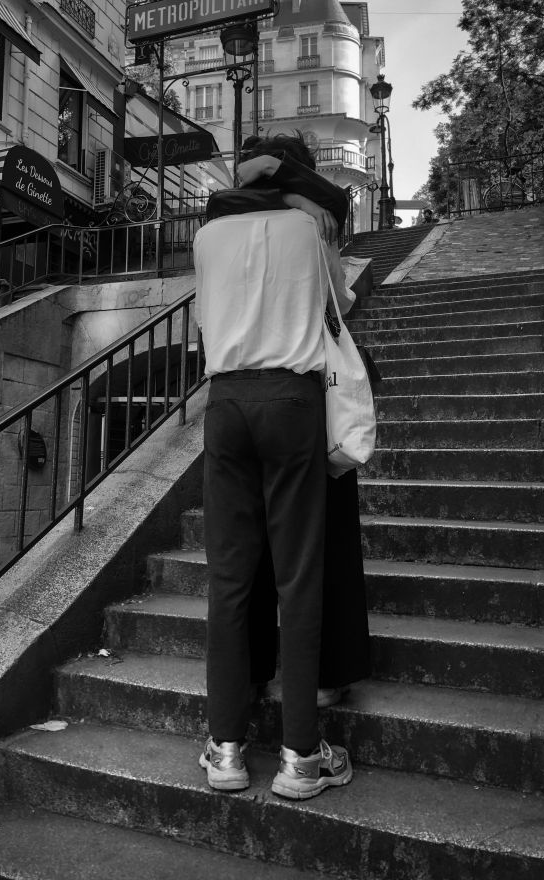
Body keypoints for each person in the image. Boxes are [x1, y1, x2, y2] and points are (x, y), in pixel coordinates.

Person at [195, 133, 353, 801]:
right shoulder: (310, 231)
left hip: (227, 399)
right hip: (294, 399)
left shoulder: (207, 237)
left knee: (230, 579)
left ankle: (227, 749)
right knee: (299, 579)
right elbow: (340, 309)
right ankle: (300, 758)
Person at [224, 137, 373, 709]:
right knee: (326, 539)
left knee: (252, 545)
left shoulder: (228, 224)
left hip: (239, 394)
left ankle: (254, 671)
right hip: (307, 393)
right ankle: (329, 673)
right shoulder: (311, 222)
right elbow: (338, 299)